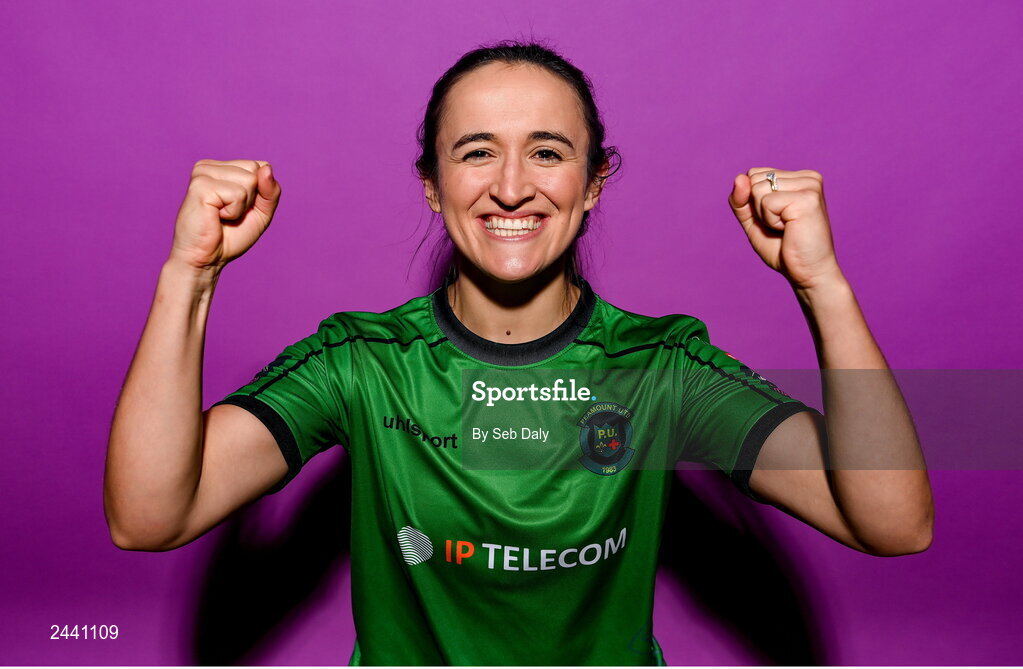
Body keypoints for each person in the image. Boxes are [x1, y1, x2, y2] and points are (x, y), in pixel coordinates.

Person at [104, 41, 934, 665]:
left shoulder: (659, 367)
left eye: (546, 151)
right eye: (475, 152)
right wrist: (191, 274)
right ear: (431, 183)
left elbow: (892, 523)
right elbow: (148, 518)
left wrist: (820, 284)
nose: (510, 186)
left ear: (593, 181)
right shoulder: (362, 361)